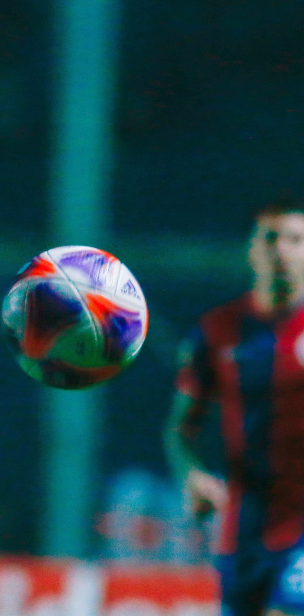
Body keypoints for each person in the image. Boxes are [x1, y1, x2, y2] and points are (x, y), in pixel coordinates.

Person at [165, 199, 304, 616]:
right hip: (245, 529)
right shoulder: (217, 331)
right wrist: (191, 474)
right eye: (270, 239)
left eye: (295, 240)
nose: (282, 251)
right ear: (251, 250)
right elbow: (180, 430)